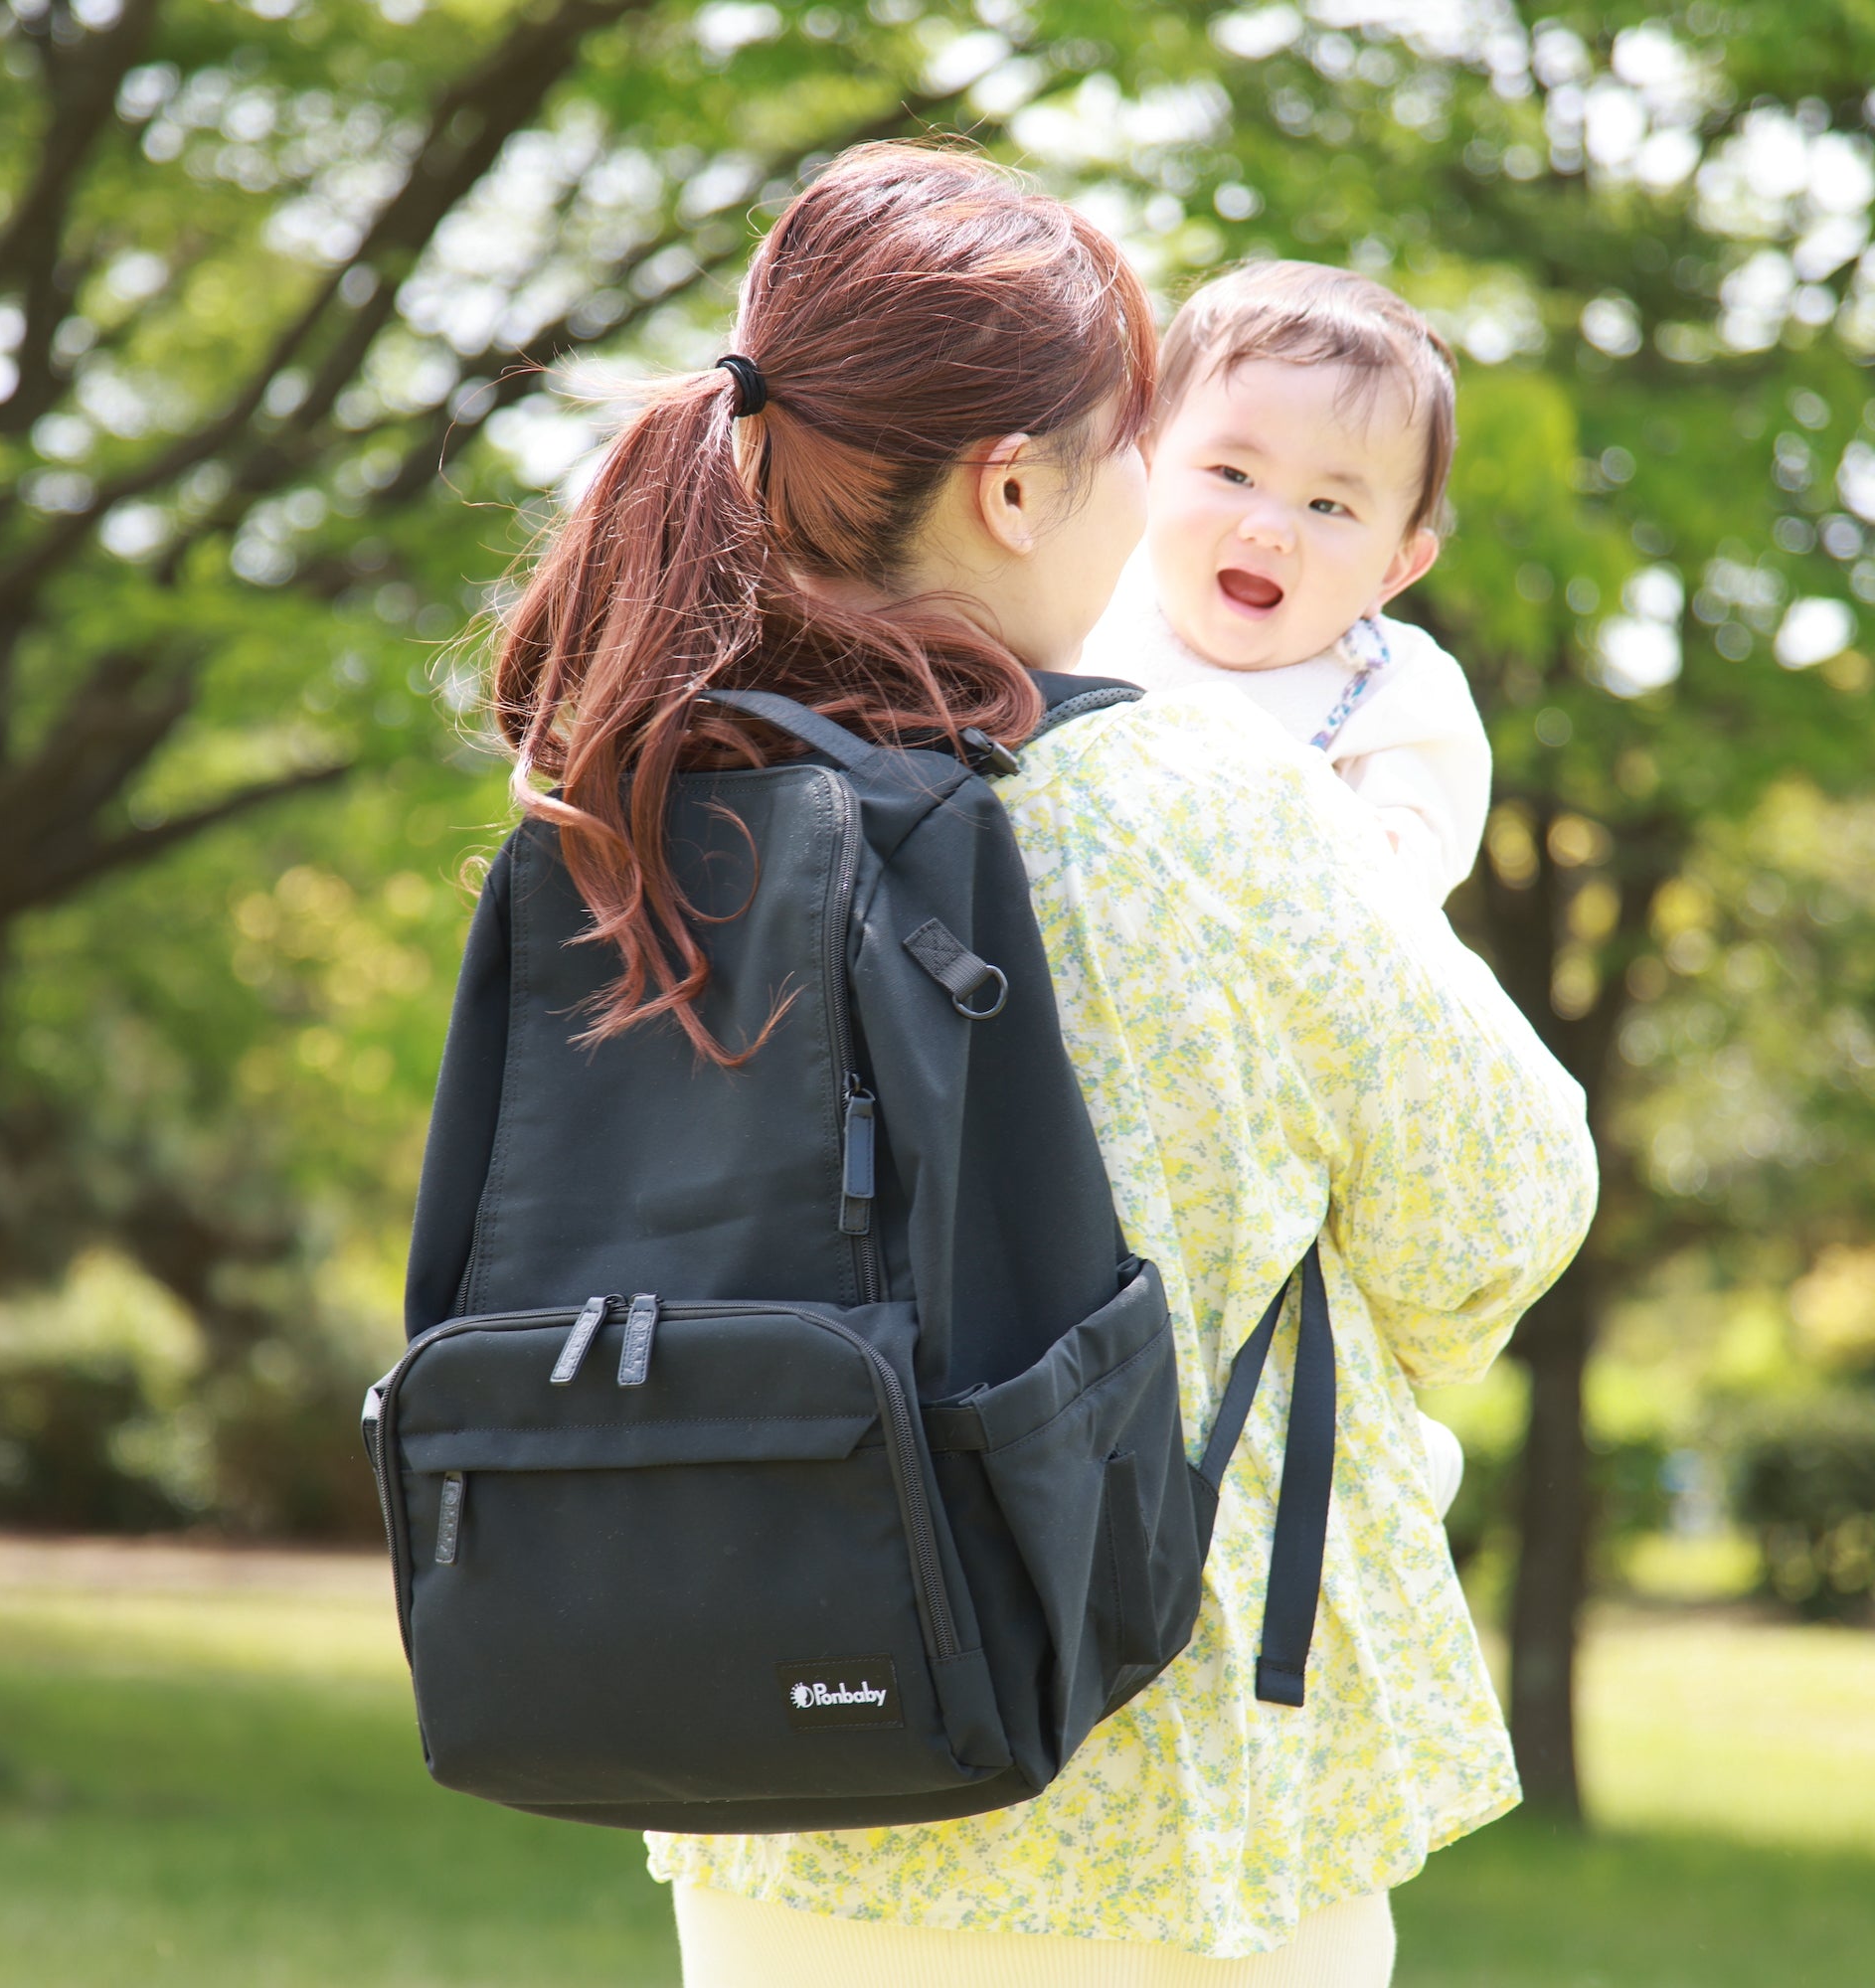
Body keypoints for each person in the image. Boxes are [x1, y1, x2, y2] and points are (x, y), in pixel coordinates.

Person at [491, 141, 1598, 1987]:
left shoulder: (647, 790)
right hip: (1161, 1773)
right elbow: (1502, 1201)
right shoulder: (1212, 802)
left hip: (759, 1741)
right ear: (1017, 488)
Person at [1082, 261, 1490, 1521]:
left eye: (1328, 502)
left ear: (1396, 562)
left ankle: (1377, 1428)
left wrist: (1355, 855)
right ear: (1144, 458)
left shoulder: (1387, 692)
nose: (1267, 524)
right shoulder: (1082, 618)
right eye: (1231, 474)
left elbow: (1401, 874)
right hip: (1088, 1034)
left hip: (1277, 1067)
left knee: (1300, 1264)